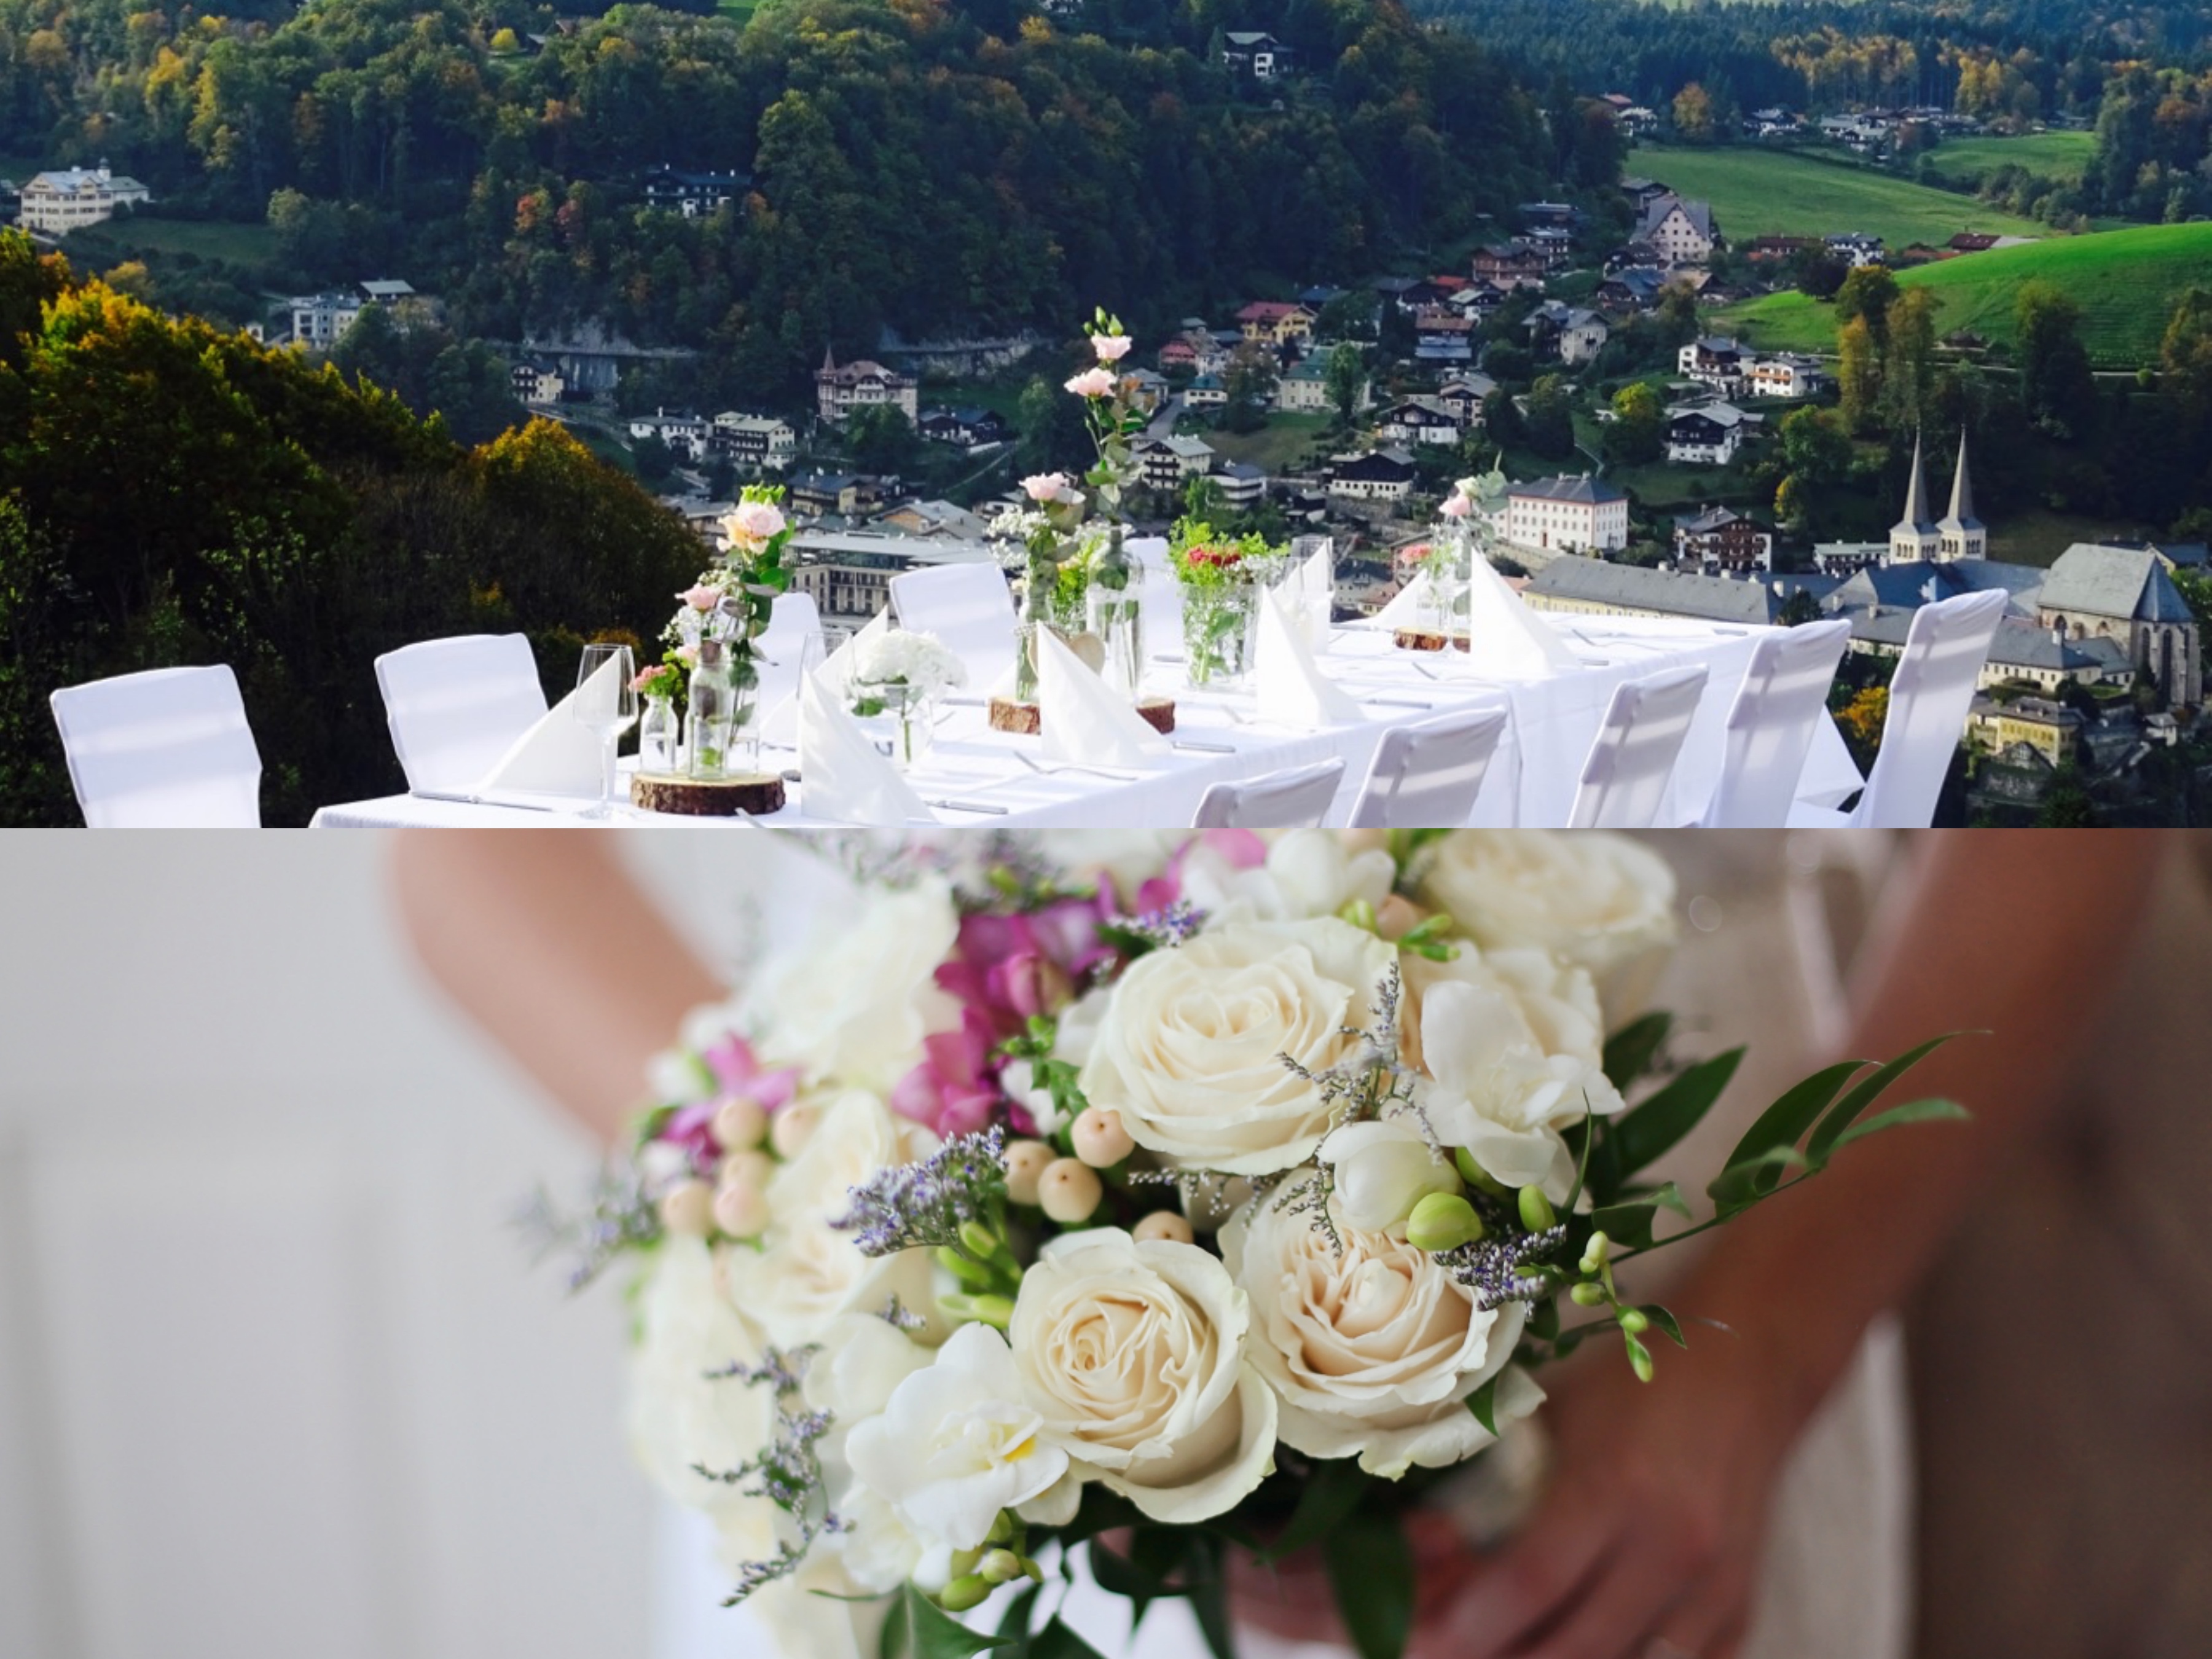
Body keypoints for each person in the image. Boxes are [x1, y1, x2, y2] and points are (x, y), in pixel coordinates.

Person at [393, 830, 2191, 1659]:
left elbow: (2094, 729)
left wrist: (1763, 1355)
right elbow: (469, 836)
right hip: (936, 1255)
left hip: (1670, 1255)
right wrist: (827, 1200)